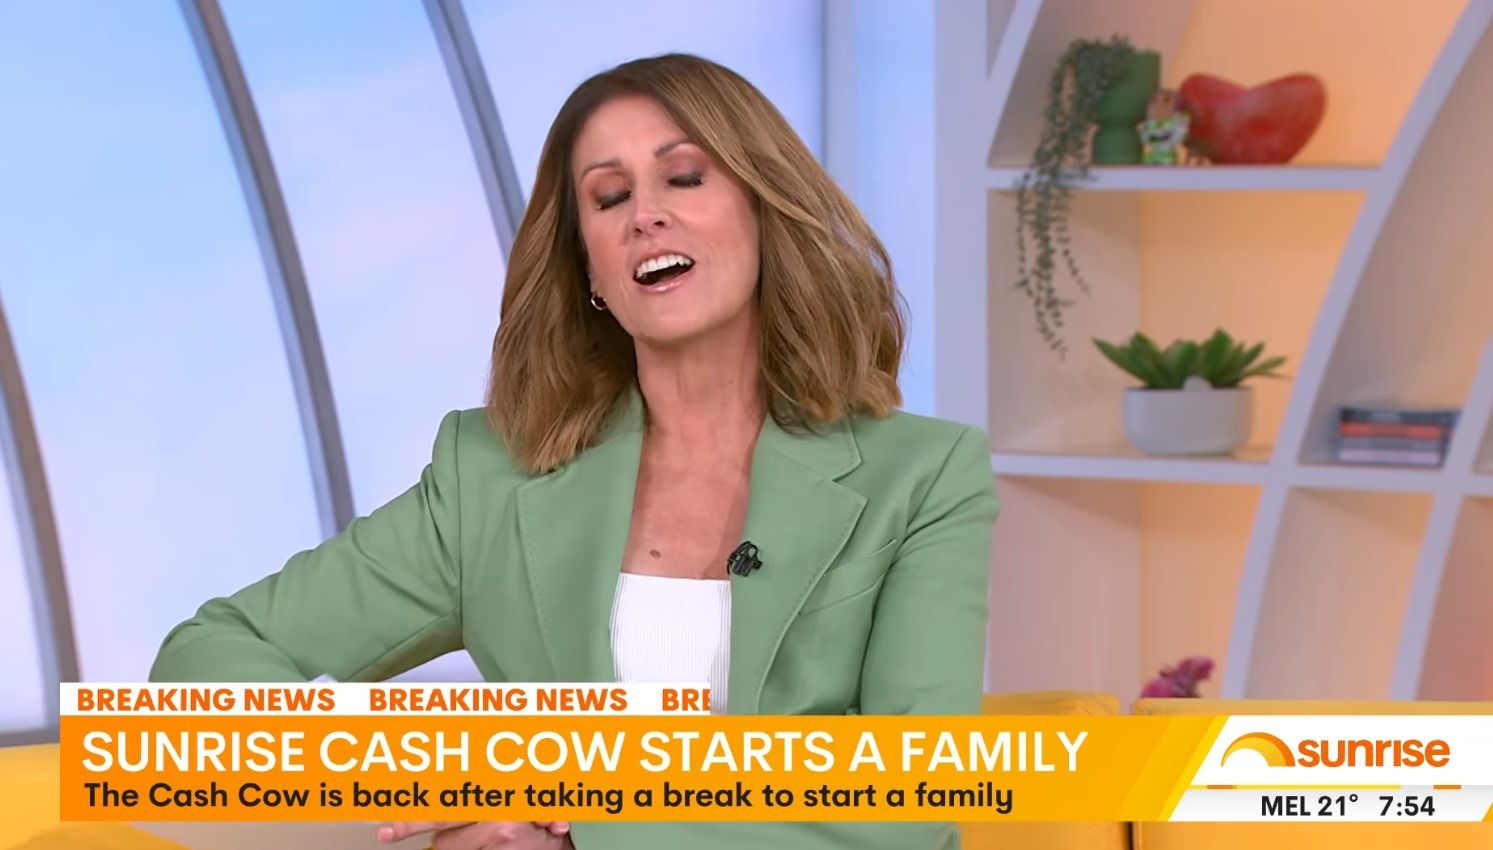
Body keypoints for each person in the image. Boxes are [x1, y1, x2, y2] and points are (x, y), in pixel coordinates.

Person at [150, 52, 1000, 850]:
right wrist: (442, 787)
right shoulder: (488, 477)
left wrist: (583, 822)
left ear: (764, 213)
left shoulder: (924, 477)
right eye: (608, 197)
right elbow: (204, 662)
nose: (645, 215)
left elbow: (917, 799)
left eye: (684, 177)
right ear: (589, 270)